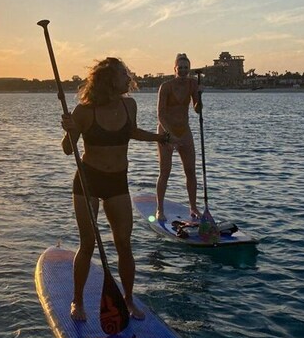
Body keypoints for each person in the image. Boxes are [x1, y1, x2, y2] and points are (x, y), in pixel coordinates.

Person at [61, 57, 169, 321]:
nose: (128, 77)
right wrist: (69, 130)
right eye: (123, 73)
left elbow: (130, 131)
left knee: (123, 244)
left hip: (118, 181)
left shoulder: (128, 104)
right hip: (88, 181)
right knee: (87, 244)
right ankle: (77, 302)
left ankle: (128, 300)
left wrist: (159, 137)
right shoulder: (84, 111)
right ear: (109, 79)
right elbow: (67, 149)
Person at [155, 53, 202, 222]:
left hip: (184, 131)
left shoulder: (193, 84)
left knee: (190, 171)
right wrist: (170, 135)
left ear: (189, 69)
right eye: (180, 68)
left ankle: (194, 207)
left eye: (185, 68)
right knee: (165, 172)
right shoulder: (166, 86)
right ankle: (160, 209)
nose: (183, 70)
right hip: (166, 132)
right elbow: (160, 114)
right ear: (175, 69)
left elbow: (197, 110)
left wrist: (200, 98)